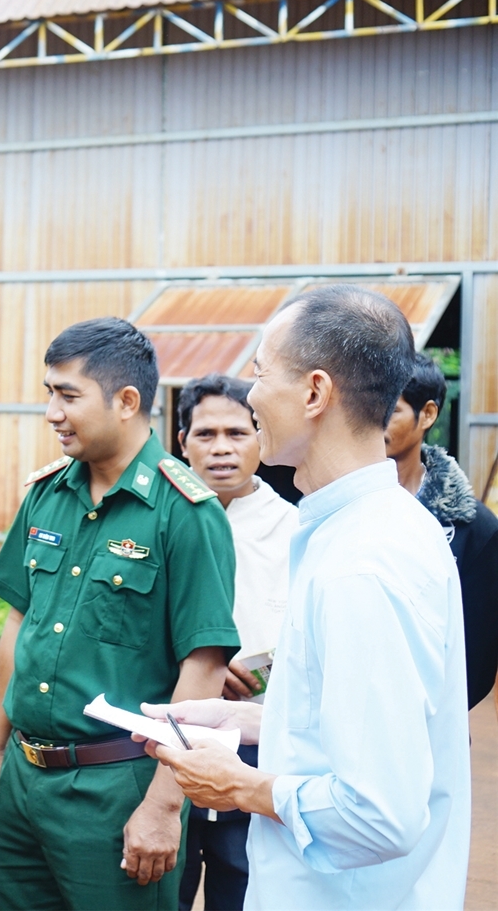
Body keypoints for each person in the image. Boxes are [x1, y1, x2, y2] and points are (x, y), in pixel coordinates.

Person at [142, 285, 470, 910]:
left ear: (315, 393)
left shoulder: (361, 564)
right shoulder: (363, 528)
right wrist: (240, 720)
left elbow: (379, 813)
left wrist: (241, 787)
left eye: (260, 373)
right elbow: (361, 724)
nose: (252, 394)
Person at [0, 317, 239, 911]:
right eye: (48, 393)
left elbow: (205, 661)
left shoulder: (185, 511)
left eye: (67, 396)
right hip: (27, 777)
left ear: (126, 401)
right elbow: (20, 623)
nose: (51, 413)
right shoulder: (46, 495)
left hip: (119, 788)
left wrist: (166, 805)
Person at [174, 374, 297, 911]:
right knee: (163, 882)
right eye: (205, 434)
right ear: (182, 442)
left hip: (258, 744)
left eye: (236, 432)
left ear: (260, 437)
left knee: (242, 884)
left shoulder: (297, 530)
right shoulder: (160, 521)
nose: (221, 448)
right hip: (167, 734)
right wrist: (201, 671)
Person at [385, 353, 497, 708]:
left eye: (391, 410)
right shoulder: (325, 510)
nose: (373, 423)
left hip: (433, 729)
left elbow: (476, 662)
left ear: (428, 414)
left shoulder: (473, 527)